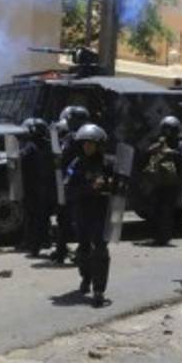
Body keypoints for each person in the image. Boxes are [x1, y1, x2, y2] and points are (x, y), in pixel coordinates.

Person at [65, 123, 118, 307]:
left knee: (101, 251)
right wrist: (89, 187)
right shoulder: (75, 164)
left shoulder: (109, 163)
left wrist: (110, 183)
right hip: (82, 211)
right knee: (83, 250)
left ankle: (99, 289)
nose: (87, 147)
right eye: (85, 143)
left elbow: (122, 186)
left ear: (99, 145)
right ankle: (86, 278)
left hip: (102, 212)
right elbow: (68, 188)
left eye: (91, 143)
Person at [50, 105, 91, 263]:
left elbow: (63, 157)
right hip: (75, 184)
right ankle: (65, 250)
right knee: (70, 218)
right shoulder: (86, 137)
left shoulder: (73, 138)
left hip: (73, 185)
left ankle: (73, 252)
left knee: (71, 219)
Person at [141, 115, 182, 246]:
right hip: (157, 182)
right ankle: (156, 236)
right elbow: (146, 155)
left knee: (166, 211)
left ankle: (164, 237)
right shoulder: (160, 143)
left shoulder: (181, 144)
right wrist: (152, 150)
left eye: (169, 130)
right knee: (155, 209)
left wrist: (171, 152)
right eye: (164, 130)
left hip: (172, 183)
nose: (166, 134)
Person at [18, 117, 55, 257]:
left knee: (33, 217)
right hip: (47, 187)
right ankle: (45, 241)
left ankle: (33, 245)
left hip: (34, 187)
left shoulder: (30, 146)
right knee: (43, 217)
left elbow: (22, 159)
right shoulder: (50, 145)